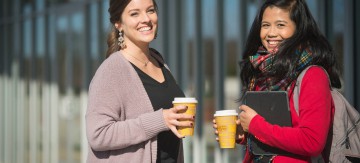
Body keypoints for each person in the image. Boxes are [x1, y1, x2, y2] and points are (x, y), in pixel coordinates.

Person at [213, 0, 341, 162]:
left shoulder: (313, 75)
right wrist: (242, 134)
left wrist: (254, 126)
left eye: (280, 25)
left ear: (299, 29)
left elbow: (312, 142)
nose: (271, 33)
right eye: (265, 25)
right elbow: (271, 131)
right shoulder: (263, 71)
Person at [85, 0, 194, 162]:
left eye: (150, 10)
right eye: (134, 13)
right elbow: (98, 134)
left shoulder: (159, 61)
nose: (146, 19)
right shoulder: (111, 70)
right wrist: (160, 120)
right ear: (119, 23)